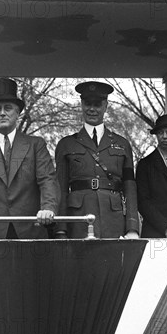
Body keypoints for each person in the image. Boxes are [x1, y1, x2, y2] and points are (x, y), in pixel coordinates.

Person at [0, 78, 59, 239]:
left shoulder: (36, 145)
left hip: (31, 231)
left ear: (17, 112)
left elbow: (48, 180)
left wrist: (48, 208)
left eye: (8, 108)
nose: (2, 113)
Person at [54, 81, 139, 239]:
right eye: (87, 103)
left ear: (106, 106)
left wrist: (132, 228)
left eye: (97, 104)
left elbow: (130, 189)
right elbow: (61, 189)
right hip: (78, 219)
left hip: (113, 219)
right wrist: (61, 229)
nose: (92, 109)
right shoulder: (66, 144)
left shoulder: (122, 144)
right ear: (81, 105)